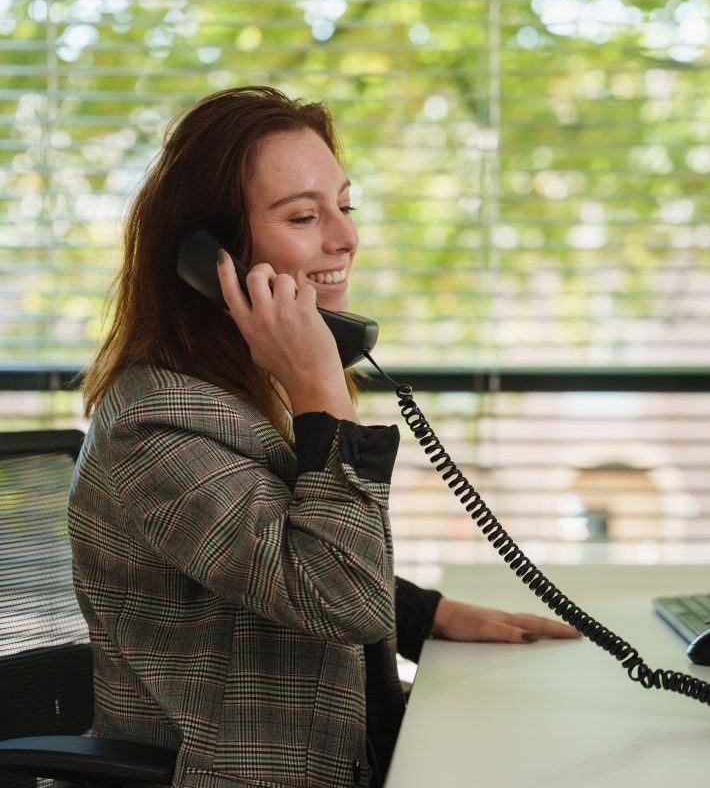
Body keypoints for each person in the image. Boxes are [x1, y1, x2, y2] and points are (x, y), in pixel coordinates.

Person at [68, 85, 579, 788]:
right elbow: (333, 595)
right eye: (304, 216)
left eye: (345, 206)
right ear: (210, 258)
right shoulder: (156, 428)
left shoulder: (239, 393)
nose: (345, 238)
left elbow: (268, 553)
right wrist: (320, 391)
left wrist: (432, 613)